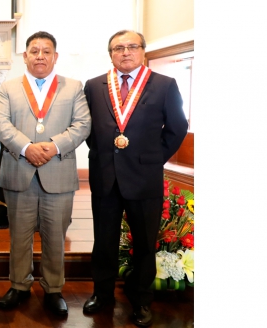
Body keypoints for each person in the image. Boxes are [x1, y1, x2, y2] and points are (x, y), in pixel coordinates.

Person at [83, 30, 187, 327]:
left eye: (131, 47)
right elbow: (88, 130)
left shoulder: (164, 84)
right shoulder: (94, 85)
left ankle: (141, 300)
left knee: (144, 244)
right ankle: (102, 295)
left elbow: (177, 127)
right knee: (103, 242)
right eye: (118, 48)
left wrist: (153, 159)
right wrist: (107, 155)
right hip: (105, 177)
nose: (125, 52)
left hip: (144, 178)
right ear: (110, 53)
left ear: (142, 51)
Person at [0, 31, 91, 315]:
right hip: (19, 172)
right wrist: (26, 148)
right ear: (25, 57)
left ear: (55, 57)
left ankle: (53, 288)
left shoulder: (73, 87)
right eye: (34, 51)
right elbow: (1, 124)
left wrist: (52, 146)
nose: (40, 56)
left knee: (55, 236)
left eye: (46, 51)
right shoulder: (8, 88)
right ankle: (19, 285)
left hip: (57, 172)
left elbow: (82, 124)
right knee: (19, 236)